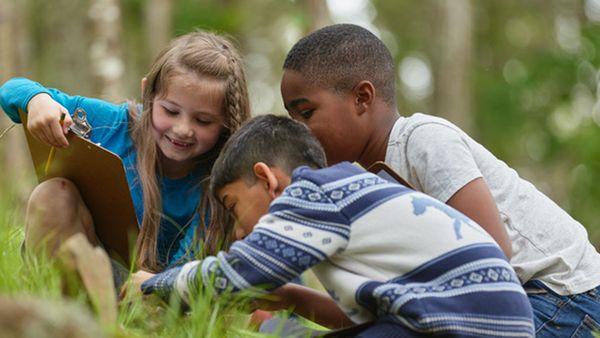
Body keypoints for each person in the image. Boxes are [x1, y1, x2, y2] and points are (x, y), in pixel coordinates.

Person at [279, 23, 600, 336]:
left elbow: (494, 254)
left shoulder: (422, 140)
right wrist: (292, 298)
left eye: (306, 114)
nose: (299, 131)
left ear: (362, 98)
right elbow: (381, 308)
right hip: (509, 299)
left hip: (560, 296)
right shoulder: (370, 186)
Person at [140, 115, 535, 337]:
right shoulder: (353, 194)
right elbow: (376, 317)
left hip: (466, 329)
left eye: (233, 206)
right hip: (476, 323)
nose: (239, 232)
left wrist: (151, 283)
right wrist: (289, 298)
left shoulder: (312, 194)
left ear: (267, 180)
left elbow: (239, 272)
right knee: (279, 331)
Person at [0, 31, 250, 276]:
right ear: (147, 93)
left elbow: (187, 272)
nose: (183, 130)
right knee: (51, 194)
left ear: (227, 123)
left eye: (203, 121)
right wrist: (37, 101)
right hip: (97, 272)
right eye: (171, 111)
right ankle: (59, 313)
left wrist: (153, 291)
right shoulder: (112, 124)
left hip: (172, 295)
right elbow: (12, 90)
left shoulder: (225, 177)